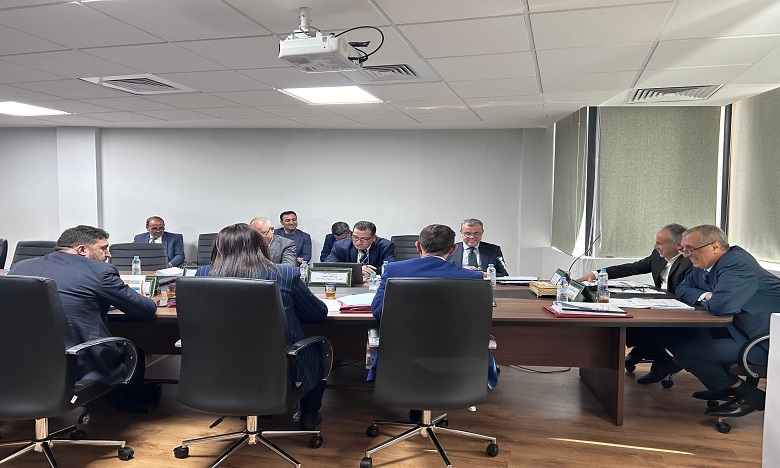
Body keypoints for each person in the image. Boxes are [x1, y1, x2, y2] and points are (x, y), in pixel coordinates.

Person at [10, 225, 160, 412]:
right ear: (82, 250)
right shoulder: (99, 271)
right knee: (134, 350)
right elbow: (143, 310)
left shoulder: (20, 267)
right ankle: (131, 404)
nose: (109, 254)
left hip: (17, 360)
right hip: (76, 359)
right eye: (104, 248)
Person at [196, 223, 328, 430]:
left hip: (221, 362)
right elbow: (317, 314)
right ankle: (309, 414)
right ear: (261, 246)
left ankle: (250, 407)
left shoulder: (203, 274)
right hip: (280, 362)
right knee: (318, 350)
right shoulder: (284, 274)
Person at [668, 225, 780, 417]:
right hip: (738, 330)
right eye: (683, 249)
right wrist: (707, 296)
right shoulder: (705, 264)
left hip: (763, 341)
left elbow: (722, 307)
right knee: (675, 334)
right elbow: (682, 288)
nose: (685, 255)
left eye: (690, 249)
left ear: (715, 246)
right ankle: (724, 388)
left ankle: (750, 395)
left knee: (688, 351)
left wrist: (714, 299)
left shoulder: (736, 263)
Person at [369, 224, 496, 387]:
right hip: (457, 360)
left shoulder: (394, 270)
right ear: (453, 249)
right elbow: (477, 320)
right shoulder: (472, 277)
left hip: (401, 358)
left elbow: (378, 311)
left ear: (417, 246)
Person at [577, 224, 693, 384]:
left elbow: (687, 293)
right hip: (660, 306)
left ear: (678, 245)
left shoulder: (690, 262)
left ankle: (661, 360)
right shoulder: (657, 255)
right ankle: (647, 352)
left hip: (681, 312)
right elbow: (632, 268)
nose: (655, 246)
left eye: (660, 243)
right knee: (623, 316)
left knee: (638, 323)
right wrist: (596, 273)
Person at [325, 220, 396, 278]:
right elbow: (328, 266)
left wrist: (367, 271)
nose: (358, 242)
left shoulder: (385, 246)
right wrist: (356, 270)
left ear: (374, 238)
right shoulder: (341, 246)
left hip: (374, 284)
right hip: (351, 285)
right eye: (355, 237)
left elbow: (391, 268)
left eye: (364, 239)